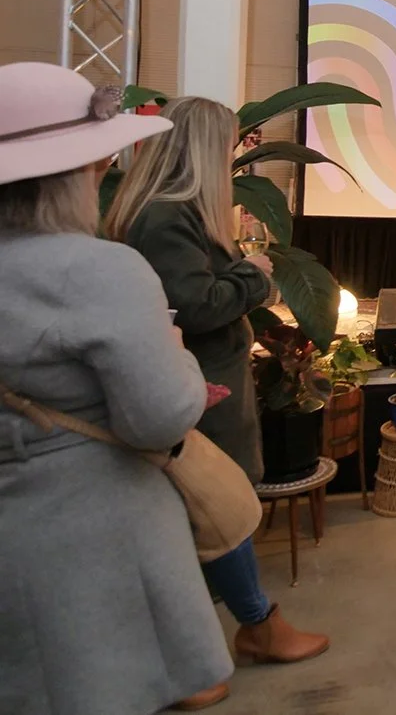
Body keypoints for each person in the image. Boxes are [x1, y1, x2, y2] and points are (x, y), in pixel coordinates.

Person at [0, 63, 232, 714]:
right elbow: (159, 418)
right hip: (92, 550)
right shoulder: (100, 271)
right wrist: (183, 363)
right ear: (79, 171)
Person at [106, 96, 329, 681]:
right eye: (227, 143)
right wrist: (253, 278)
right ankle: (247, 629)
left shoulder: (170, 213)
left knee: (214, 514)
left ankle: (233, 631)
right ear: (204, 150)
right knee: (216, 510)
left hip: (206, 385)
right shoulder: (166, 217)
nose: (233, 154)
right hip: (199, 393)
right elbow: (198, 305)